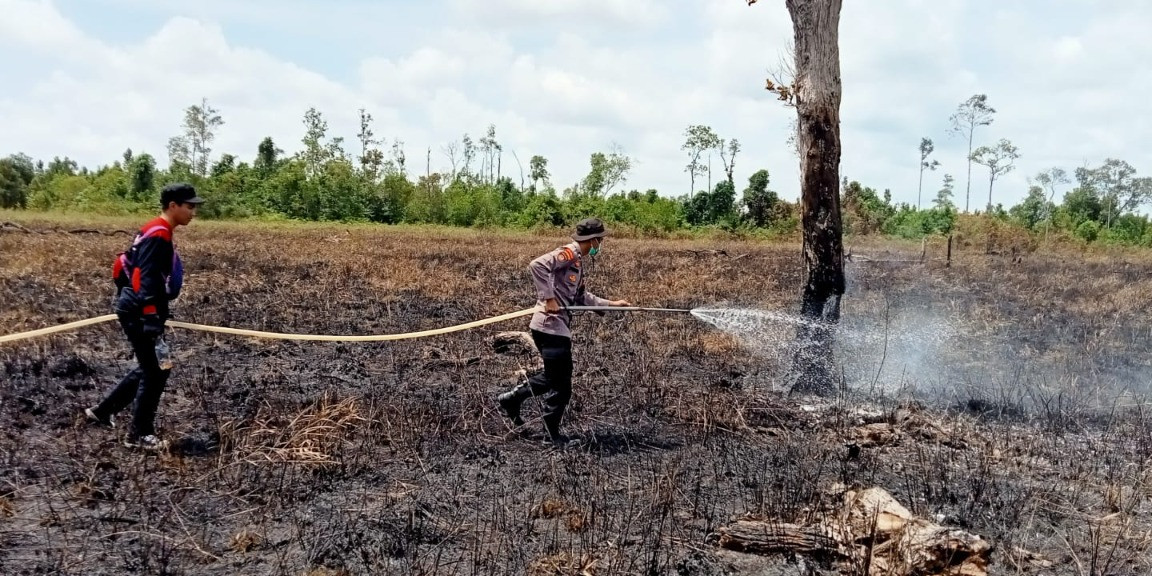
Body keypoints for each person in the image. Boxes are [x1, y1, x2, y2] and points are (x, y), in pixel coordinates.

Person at [85, 183, 203, 450]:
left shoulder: (154, 229)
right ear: (173, 206)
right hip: (140, 311)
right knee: (156, 370)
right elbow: (143, 275)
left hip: (137, 307)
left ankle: (103, 412)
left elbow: (129, 267)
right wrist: (150, 314)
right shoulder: (158, 234)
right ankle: (139, 435)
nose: (193, 212)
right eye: (189, 206)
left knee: (151, 366)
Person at [497, 217, 630, 446]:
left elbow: (581, 298)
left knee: (553, 379)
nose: (601, 245)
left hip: (554, 328)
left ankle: (512, 399)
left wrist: (612, 304)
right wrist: (548, 298)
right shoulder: (569, 253)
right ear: (593, 240)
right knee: (562, 385)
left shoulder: (577, 263)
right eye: (600, 240)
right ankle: (552, 436)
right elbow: (537, 265)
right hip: (550, 327)